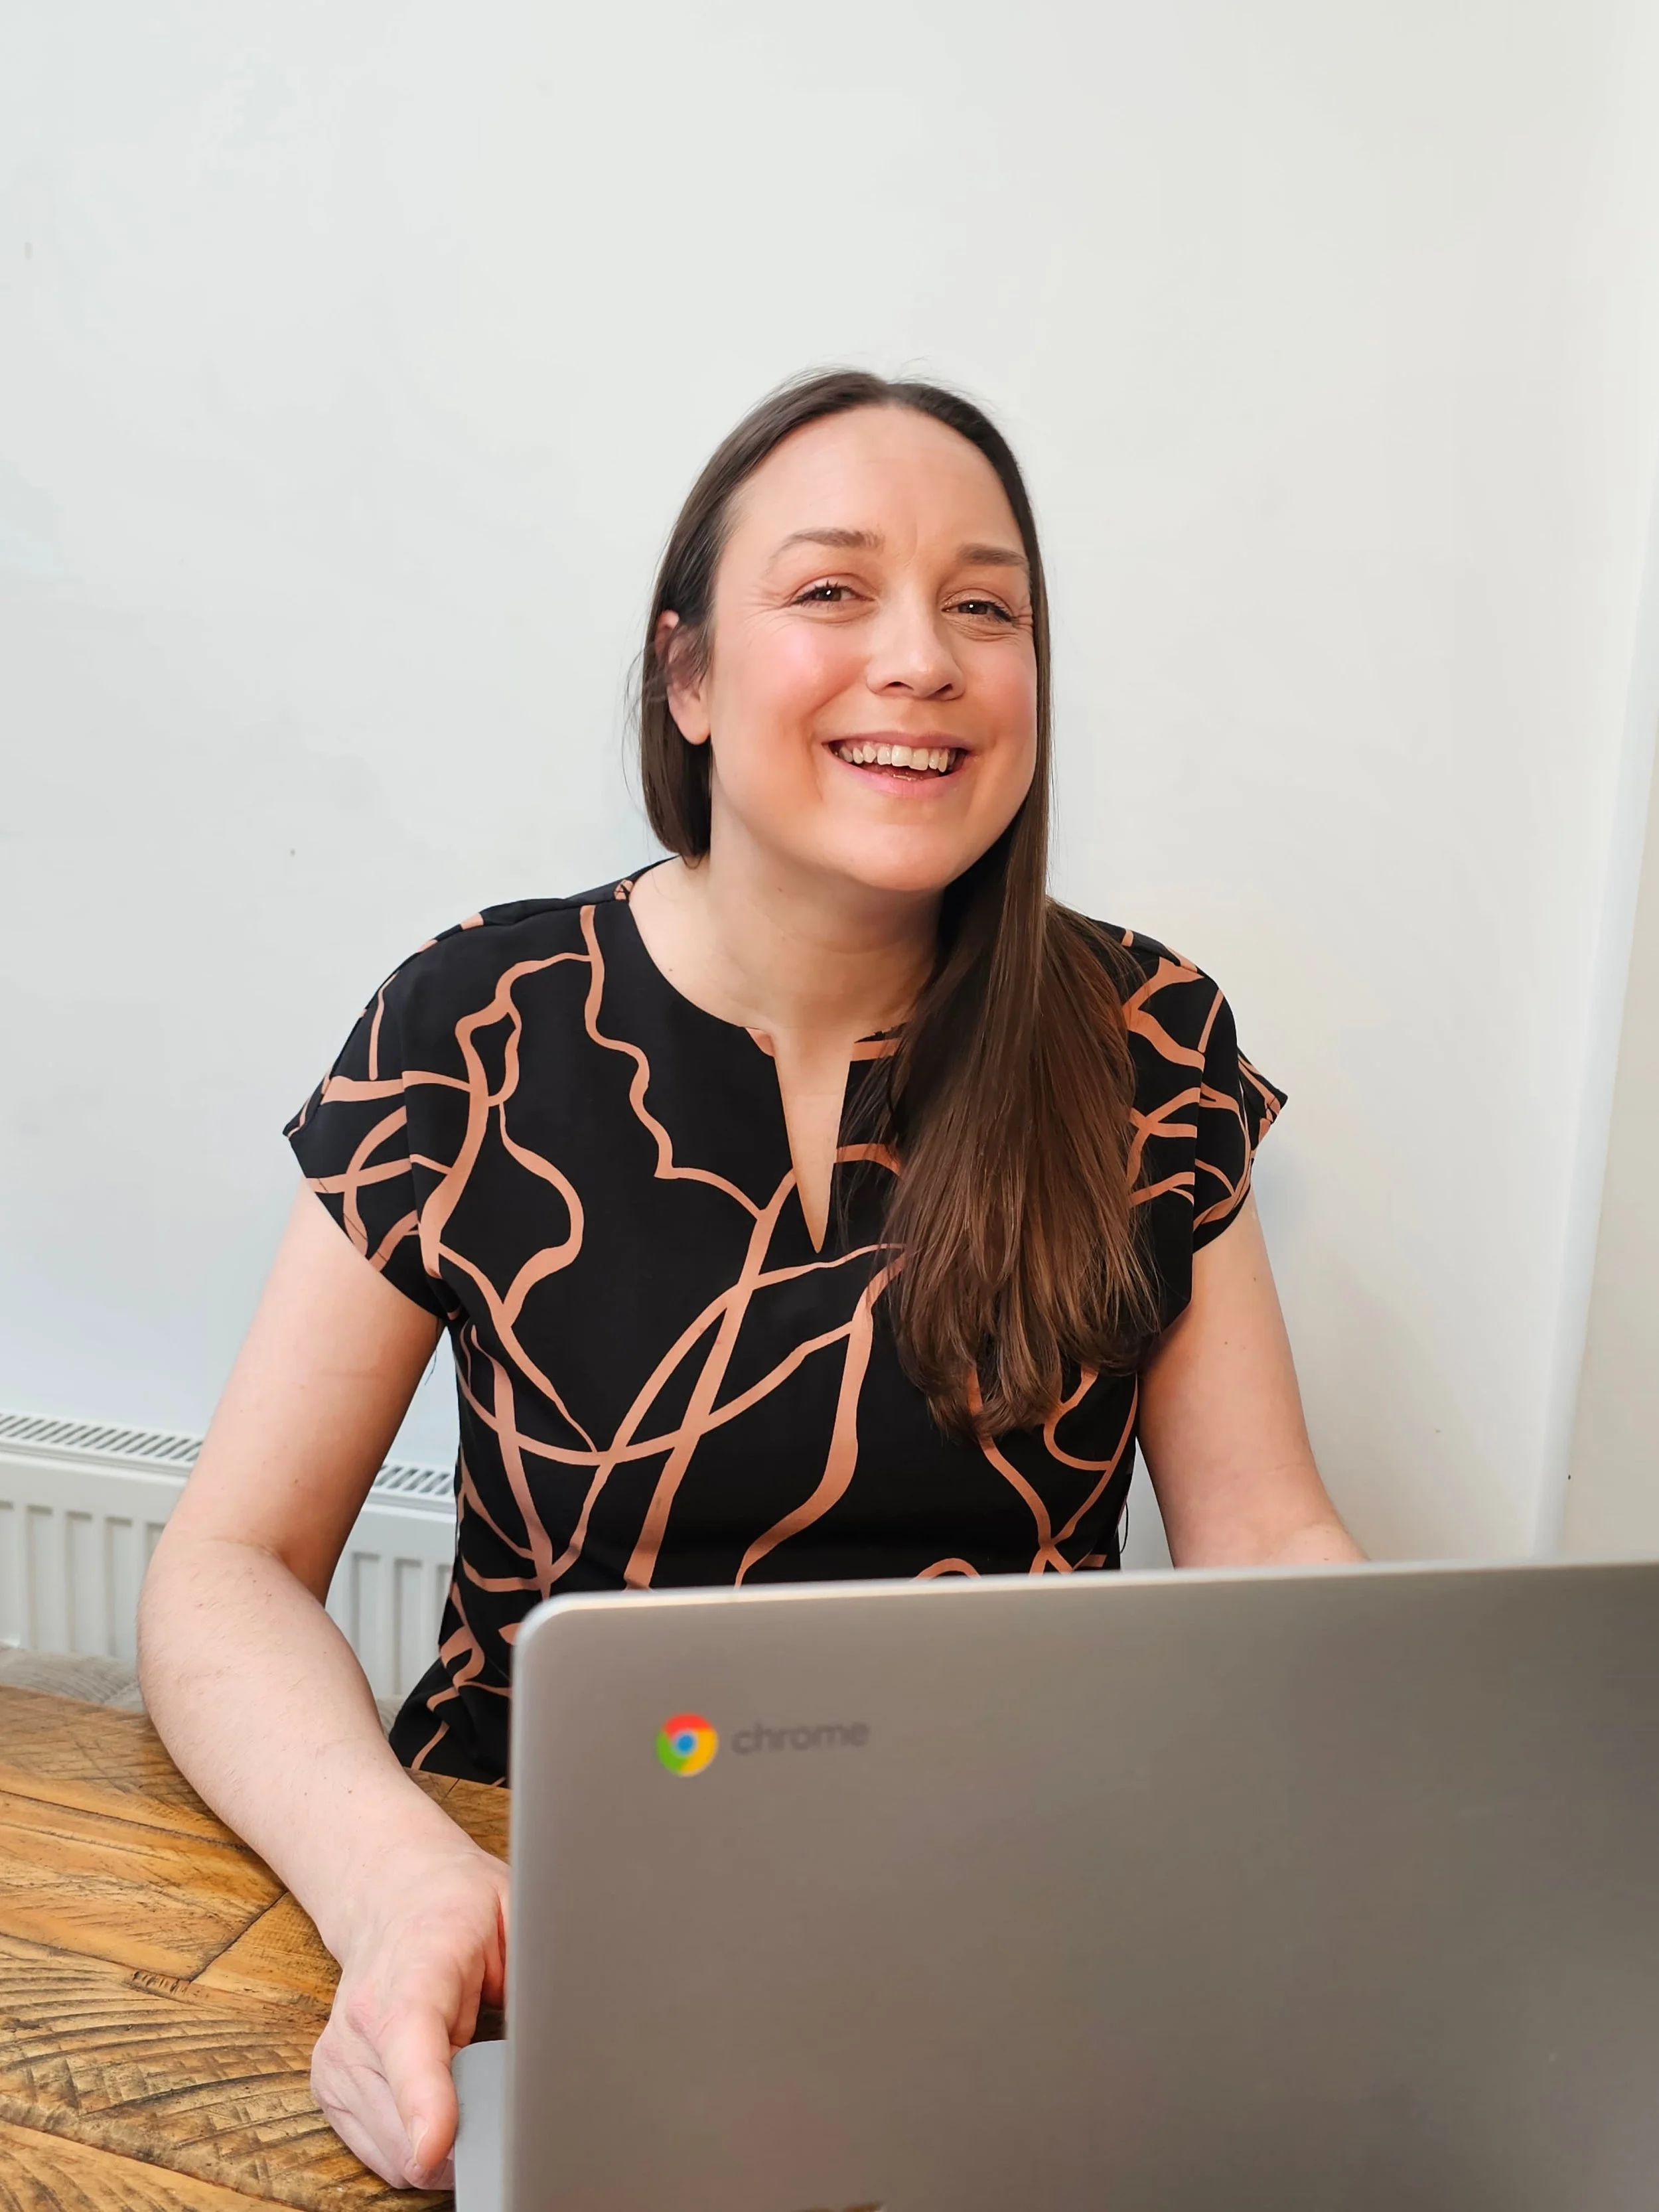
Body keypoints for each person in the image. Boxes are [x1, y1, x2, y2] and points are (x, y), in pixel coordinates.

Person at [138, 368, 1361, 2187]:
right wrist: (402, 1883)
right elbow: (228, 1564)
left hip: (1021, 1918)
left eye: (985, 605)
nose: (923, 657)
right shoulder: (470, 1023)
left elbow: (1267, 1545)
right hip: (532, 1919)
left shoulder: (1144, 1037)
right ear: (688, 678)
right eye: (830, 590)